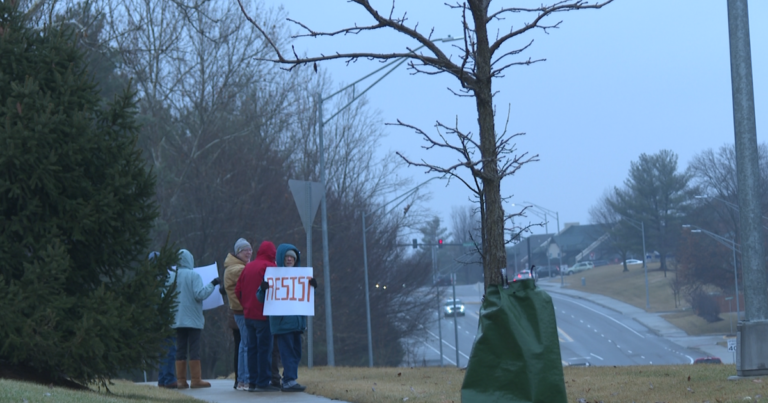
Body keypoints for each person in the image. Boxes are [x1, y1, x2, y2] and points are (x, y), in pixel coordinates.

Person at [257, 244, 317, 392]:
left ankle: (290, 379)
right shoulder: (273, 275)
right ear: (281, 258)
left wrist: (312, 288)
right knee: (287, 352)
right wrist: (263, 289)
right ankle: (289, 380)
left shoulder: (301, 276)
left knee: (296, 352)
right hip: (283, 323)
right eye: (287, 257)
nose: (289, 259)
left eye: (292, 257)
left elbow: (306, 299)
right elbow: (260, 297)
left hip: (297, 322)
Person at [167, 249, 218, 389]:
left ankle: (181, 381)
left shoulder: (172, 276)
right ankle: (196, 380)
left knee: (180, 349)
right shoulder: (194, 275)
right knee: (194, 349)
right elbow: (199, 295)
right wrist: (212, 284)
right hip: (193, 320)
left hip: (177, 319)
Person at [236, 241, 279, 392]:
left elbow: (238, 290)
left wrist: (245, 304)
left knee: (251, 349)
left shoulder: (248, 267)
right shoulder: (270, 267)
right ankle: (263, 382)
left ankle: (252, 381)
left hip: (248, 315)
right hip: (264, 315)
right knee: (264, 350)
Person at [223, 238, 252, 391]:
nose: (249, 252)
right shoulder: (237, 269)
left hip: (239, 311)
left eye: (250, 249)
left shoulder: (236, 266)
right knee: (246, 345)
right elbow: (251, 272)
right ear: (238, 252)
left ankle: (241, 380)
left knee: (243, 345)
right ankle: (246, 380)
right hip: (242, 311)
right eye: (245, 250)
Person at [150, 251, 177, 389]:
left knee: (163, 350)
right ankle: (169, 379)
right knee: (170, 348)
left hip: (156, 318)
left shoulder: (149, 279)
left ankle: (162, 379)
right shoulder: (164, 278)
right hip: (165, 317)